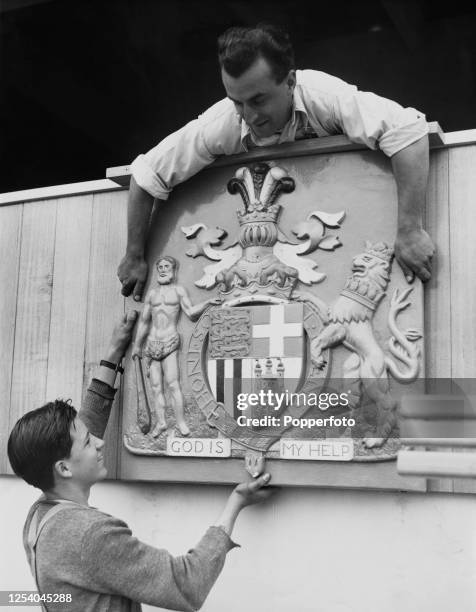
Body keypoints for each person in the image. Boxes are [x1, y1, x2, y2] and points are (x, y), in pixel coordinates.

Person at [118, 23, 435, 302]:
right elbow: (147, 174)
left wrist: (410, 230)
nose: (249, 115)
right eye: (237, 101)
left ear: (290, 82)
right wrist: (134, 255)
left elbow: (407, 131)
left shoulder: (324, 95)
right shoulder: (224, 120)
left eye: (258, 100)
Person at [7, 311, 274, 612]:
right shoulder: (91, 535)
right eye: (87, 442)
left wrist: (112, 355)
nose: (100, 441)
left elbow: (87, 425)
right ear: (64, 468)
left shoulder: (39, 517)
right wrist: (235, 502)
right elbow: (187, 585)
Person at [132, 256, 221, 437]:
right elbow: (144, 322)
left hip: (170, 342)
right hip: (152, 343)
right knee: (156, 387)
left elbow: (190, 312)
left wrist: (207, 303)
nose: (163, 269)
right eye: (160, 267)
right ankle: (162, 422)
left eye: (166, 266)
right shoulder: (152, 295)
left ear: (173, 270)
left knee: (173, 385)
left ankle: (180, 423)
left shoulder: (178, 290)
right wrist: (137, 345)